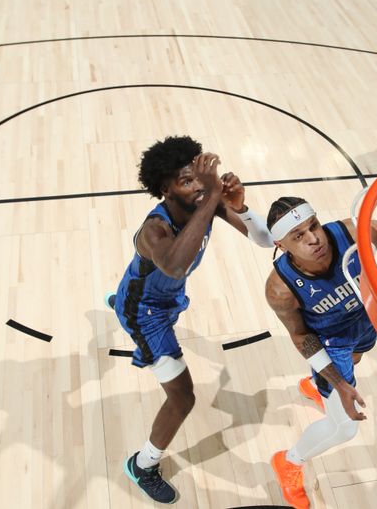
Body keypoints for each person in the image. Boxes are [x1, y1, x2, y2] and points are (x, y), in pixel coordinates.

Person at [108, 136, 274, 504]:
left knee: (145, 284)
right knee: (183, 399)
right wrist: (214, 196)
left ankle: (118, 299)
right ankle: (143, 464)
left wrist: (239, 206)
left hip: (163, 296)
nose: (200, 186)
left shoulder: (206, 205)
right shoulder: (155, 229)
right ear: (165, 189)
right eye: (188, 181)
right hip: (146, 313)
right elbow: (176, 264)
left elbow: (265, 240)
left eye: (201, 177)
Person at [264, 197, 377, 509]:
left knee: (358, 357)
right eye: (299, 236)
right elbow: (301, 338)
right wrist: (339, 383)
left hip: (364, 321)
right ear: (282, 246)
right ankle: (290, 462)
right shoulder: (280, 288)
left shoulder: (352, 233)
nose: (313, 239)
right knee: (345, 428)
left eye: (314, 226)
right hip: (330, 342)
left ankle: (314, 387)